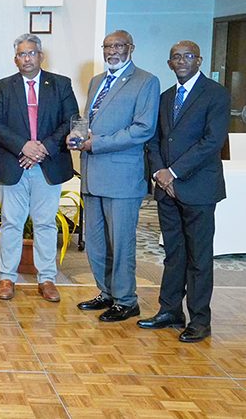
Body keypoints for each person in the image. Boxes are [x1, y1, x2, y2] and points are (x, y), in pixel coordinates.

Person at [138, 41, 230, 342]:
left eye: (188, 56)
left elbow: (212, 141)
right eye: (176, 57)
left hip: (198, 188)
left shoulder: (215, 94)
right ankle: (170, 310)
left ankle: (200, 320)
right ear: (169, 63)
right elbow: (153, 140)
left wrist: (173, 172)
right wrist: (159, 173)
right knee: (174, 254)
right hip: (167, 190)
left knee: (199, 258)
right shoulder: (165, 98)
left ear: (199, 60)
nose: (182, 61)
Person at [70, 30, 159, 322]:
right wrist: (77, 135)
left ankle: (126, 300)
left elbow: (143, 129)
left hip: (122, 179)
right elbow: (89, 122)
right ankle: (105, 293)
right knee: (96, 242)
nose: (112, 51)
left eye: (118, 45)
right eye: (108, 46)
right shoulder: (98, 81)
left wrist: (98, 143)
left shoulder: (146, 81)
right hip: (92, 175)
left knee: (120, 243)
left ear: (130, 48)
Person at [0, 34, 79, 303]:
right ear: (15, 59)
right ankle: (7, 277)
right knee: (11, 223)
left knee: (45, 223)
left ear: (41, 56)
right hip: (13, 163)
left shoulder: (61, 85)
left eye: (31, 53)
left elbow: (70, 120)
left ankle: (47, 278)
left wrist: (42, 149)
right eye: (21, 55)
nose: (26, 59)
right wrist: (24, 147)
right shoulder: (3, 87)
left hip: (47, 164)